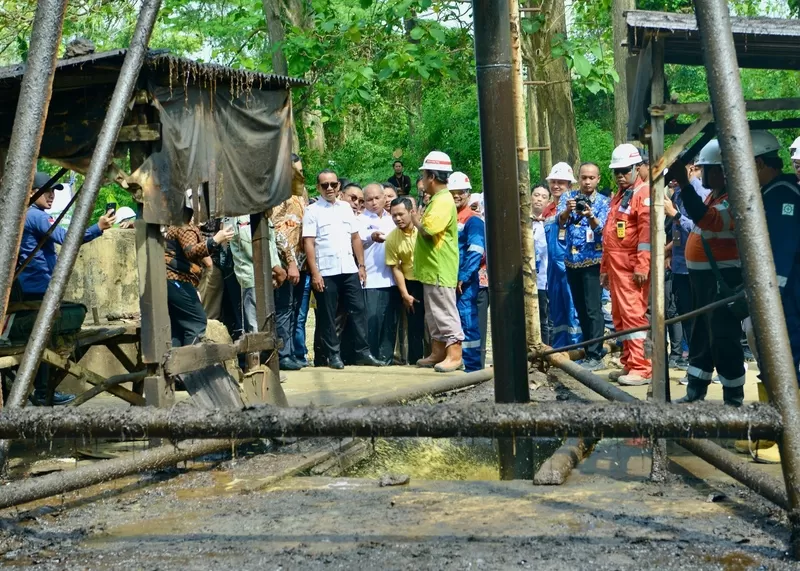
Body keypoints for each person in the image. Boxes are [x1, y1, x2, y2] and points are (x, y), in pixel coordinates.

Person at [17, 172, 116, 405]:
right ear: (31, 193)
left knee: (42, 339)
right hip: (38, 290)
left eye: (53, 191)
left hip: (30, 289)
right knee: (64, 325)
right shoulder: (37, 216)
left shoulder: (25, 215)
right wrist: (97, 227)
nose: (51, 195)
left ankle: (42, 390)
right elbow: (66, 238)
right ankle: (44, 391)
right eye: (46, 191)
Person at [668, 138, 745, 407]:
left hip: (721, 280)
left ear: (722, 170)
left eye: (706, 169)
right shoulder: (717, 195)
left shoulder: (735, 199)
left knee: (723, 338)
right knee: (701, 335)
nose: (701, 173)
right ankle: (695, 390)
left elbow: (706, 218)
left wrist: (685, 183)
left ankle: (733, 399)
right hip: (704, 280)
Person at [738, 131, 800, 463]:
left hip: (788, 297)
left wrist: (770, 295)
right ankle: (772, 429)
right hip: (778, 295)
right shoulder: (769, 193)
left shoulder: (783, 195)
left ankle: (788, 436)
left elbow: (783, 252)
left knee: (785, 359)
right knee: (770, 358)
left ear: (759, 163)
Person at [302, 170, 384, 369]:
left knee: (359, 309)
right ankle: (333, 355)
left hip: (348, 267)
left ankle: (363, 352)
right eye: (325, 185)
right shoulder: (312, 211)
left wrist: (361, 265)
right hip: (326, 270)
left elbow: (355, 238)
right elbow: (309, 243)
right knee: (328, 315)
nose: (329, 188)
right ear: (318, 187)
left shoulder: (346, 208)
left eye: (333, 184)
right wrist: (315, 273)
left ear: (339, 185)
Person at [601, 144, 652, 386]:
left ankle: (641, 367)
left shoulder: (642, 193)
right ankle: (629, 363)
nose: (620, 176)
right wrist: (604, 269)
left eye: (625, 171)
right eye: (617, 172)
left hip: (631, 267)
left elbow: (646, 235)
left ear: (636, 168)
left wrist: (642, 266)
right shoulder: (621, 196)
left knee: (634, 316)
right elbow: (609, 235)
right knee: (620, 317)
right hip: (616, 266)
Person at [412, 151, 465, 372]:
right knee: (433, 314)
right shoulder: (437, 200)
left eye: (424, 175)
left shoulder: (443, 200)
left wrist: (416, 221)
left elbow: (429, 230)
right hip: (431, 268)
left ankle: (455, 355)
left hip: (439, 268)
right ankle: (438, 351)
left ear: (432, 177)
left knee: (444, 311)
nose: (422, 180)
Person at [557, 162, 610, 370]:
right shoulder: (568, 198)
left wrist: (591, 216)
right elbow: (559, 223)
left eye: (591, 178)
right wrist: (567, 211)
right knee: (580, 308)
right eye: (584, 177)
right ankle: (589, 351)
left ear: (598, 179)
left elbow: (603, 231)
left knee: (593, 309)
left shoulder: (604, 202)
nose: (587, 182)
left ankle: (596, 354)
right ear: (578, 178)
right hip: (572, 261)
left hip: (593, 262)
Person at [164, 190, 233, 348]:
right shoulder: (185, 227)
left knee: (179, 326)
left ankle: (175, 362)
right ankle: (191, 363)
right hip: (176, 279)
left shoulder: (178, 225)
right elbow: (191, 251)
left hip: (173, 280)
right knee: (197, 321)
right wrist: (215, 240)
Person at [666, 160, 708, 371]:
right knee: (686, 316)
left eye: (677, 171)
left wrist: (675, 215)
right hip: (680, 264)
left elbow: (701, 228)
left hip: (696, 266)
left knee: (698, 318)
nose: (673, 176)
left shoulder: (700, 193)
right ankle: (694, 363)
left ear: (691, 168)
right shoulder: (677, 194)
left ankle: (702, 364)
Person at [272, 153, 309, 370]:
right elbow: (276, 230)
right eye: (296, 171)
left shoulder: (301, 194)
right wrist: (290, 261)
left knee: (296, 309)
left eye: (302, 171)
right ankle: (283, 354)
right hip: (285, 262)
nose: (300, 175)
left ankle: (293, 351)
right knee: (284, 308)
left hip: (303, 262)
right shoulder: (279, 195)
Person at [448, 171, 486, 372]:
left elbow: (476, 250)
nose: (456, 195)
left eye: (460, 192)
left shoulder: (473, 221)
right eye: (452, 192)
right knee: (453, 321)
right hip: (448, 278)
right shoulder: (449, 218)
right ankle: (458, 360)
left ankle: (472, 367)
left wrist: (463, 276)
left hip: (465, 282)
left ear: (468, 194)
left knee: (467, 320)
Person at [360, 183, 400, 364]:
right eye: (369, 199)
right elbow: (359, 240)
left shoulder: (392, 219)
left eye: (377, 198)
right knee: (372, 322)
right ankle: (372, 358)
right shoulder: (360, 220)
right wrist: (372, 236)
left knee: (389, 323)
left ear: (385, 198)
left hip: (393, 278)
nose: (374, 202)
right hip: (372, 279)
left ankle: (387, 358)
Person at [544, 163, 582, 348]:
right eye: (553, 182)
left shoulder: (575, 207)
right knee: (557, 308)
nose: (556, 186)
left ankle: (577, 348)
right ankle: (560, 348)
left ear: (569, 185)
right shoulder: (548, 209)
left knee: (572, 307)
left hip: (569, 264)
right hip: (552, 267)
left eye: (561, 182)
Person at [385, 197, 425, 363]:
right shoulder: (392, 238)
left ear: (411, 212)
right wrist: (405, 294)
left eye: (401, 214)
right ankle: (416, 361)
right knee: (415, 326)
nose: (397, 218)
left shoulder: (423, 230)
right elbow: (395, 267)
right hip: (411, 284)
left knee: (436, 322)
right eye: (394, 215)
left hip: (431, 281)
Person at [531, 184, 551, 345]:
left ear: (548, 201)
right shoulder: (521, 222)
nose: (539, 199)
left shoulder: (549, 223)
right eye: (536, 195)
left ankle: (545, 351)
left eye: (544, 197)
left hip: (543, 279)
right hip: (524, 278)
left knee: (544, 318)